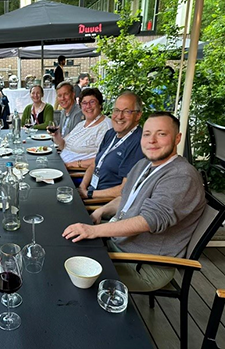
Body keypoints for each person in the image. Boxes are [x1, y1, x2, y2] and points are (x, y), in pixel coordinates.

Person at [63, 112, 206, 292]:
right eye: (147, 134)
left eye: (161, 134)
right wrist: (100, 212)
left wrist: (93, 231)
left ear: (177, 138)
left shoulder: (181, 176)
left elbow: (149, 221)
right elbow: (126, 197)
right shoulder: (144, 164)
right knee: (64, 247)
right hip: (121, 244)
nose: (152, 140)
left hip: (143, 265)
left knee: (70, 278)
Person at [78, 91, 145, 200]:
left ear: (138, 115)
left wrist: (88, 194)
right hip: (91, 191)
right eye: (117, 110)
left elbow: (124, 189)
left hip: (103, 203)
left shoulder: (138, 142)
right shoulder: (110, 133)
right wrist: (82, 187)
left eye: (127, 111)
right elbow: (94, 165)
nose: (119, 116)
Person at [52, 88, 112, 169]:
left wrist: (73, 164)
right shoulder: (81, 124)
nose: (88, 106)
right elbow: (64, 146)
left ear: (100, 104)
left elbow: (104, 158)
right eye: (84, 103)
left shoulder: (106, 126)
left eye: (92, 102)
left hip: (73, 173)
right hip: (61, 164)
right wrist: (56, 136)